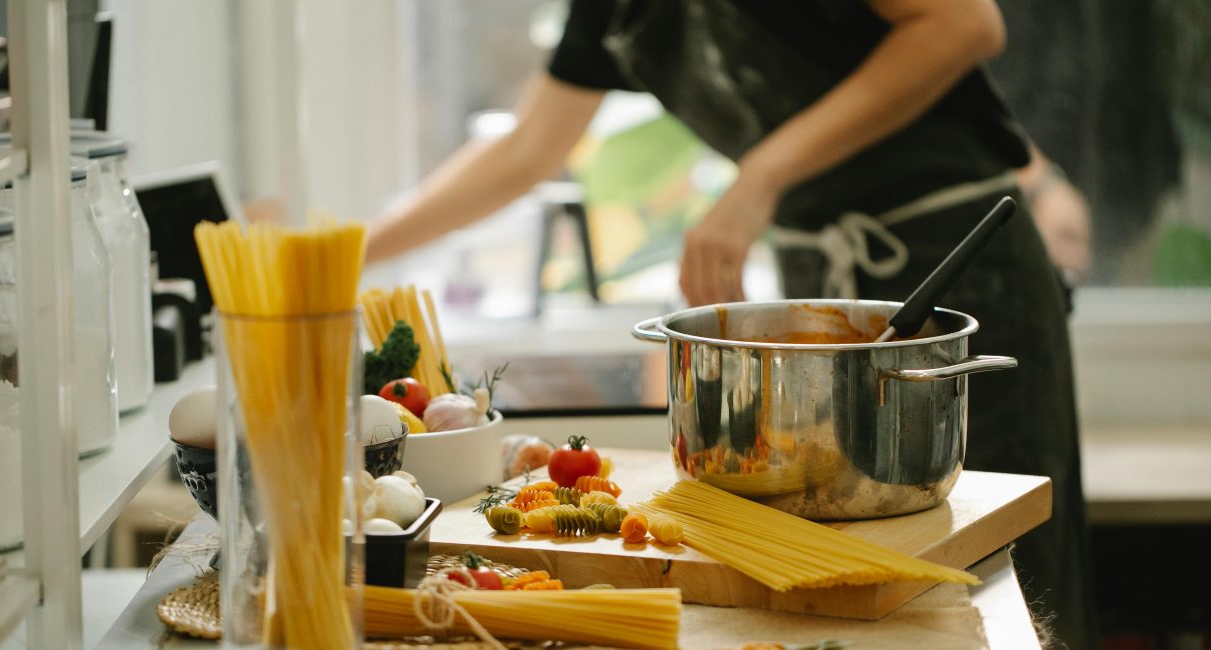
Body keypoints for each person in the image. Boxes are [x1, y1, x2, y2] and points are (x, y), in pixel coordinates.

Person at [368, 2, 1096, 647]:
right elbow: (529, 149)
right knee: (861, 597)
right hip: (824, 278)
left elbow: (965, 22)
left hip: (959, 264)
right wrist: (351, 253)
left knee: (1013, 586)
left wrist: (761, 178)